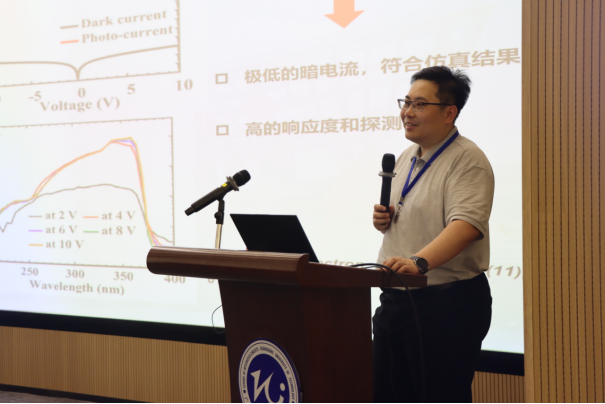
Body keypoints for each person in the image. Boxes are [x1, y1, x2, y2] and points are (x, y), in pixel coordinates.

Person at [372, 66, 494, 403]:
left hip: (446, 305)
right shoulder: (407, 158)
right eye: (406, 102)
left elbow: (466, 226)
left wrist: (419, 262)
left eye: (419, 104)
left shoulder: (467, 159)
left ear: (449, 113)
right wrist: (385, 219)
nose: (407, 112)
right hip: (396, 300)